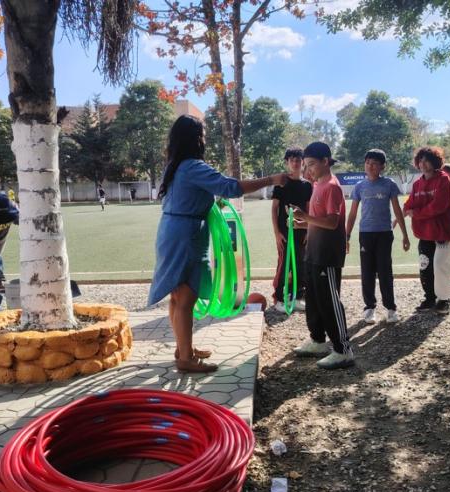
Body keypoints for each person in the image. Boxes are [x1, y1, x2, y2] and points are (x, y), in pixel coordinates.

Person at [147, 115, 287, 373]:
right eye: (202, 134)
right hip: (186, 235)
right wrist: (271, 180)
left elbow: (191, 195)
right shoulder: (192, 166)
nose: (204, 138)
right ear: (194, 139)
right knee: (186, 296)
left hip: (173, 231)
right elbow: (231, 187)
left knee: (177, 296)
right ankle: (186, 359)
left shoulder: (174, 166)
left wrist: (210, 202)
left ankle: (183, 348)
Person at [290, 142, 354, 370]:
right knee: (314, 299)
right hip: (314, 251)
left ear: (326, 161)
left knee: (329, 300)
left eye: (312, 165)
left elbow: (332, 222)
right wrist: (304, 224)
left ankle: (343, 350)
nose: (309, 170)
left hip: (327, 253)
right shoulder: (318, 184)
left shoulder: (332, 187)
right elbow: (318, 219)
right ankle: (317, 340)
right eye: (306, 165)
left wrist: (306, 217)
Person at [346, 149, 410, 324]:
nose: (370, 166)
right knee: (367, 271)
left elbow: (397, 210)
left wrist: (405, 235)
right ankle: (369, 308)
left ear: (382, 166)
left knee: (385, 271)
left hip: (384, 233)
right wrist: (347, 236)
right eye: (367, 162)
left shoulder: (389, 184)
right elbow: (352, 214)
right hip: (365, 234)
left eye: (374, 163)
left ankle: (391, 309)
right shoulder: (359, 186)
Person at [403, 147, 450, 315]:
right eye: (420, 160)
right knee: (425, 266)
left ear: (435, 162)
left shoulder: (443, 180)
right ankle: (429, 298)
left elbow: (438, 207)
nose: (422, 163)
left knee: (440, 266)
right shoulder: (417, 184)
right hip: (424, 234)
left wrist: (416, 213)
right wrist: (406, 210)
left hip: (442, 233)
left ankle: (444, 300)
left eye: (426, 160)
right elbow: (409, 204)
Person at [271, 147, 312, 313]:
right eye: (292, 160)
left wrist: (308, 230)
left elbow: (308, 209)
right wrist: (276, 233)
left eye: (298, 160)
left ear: (303, 163)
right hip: (284, 232)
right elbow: (274, 209)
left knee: (301, 263)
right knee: (284, 264)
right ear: (287, 162)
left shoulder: (307, 185)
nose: (295, 163)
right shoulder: (281, 183)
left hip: (302, 231)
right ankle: (280, 298)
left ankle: (298, 297)